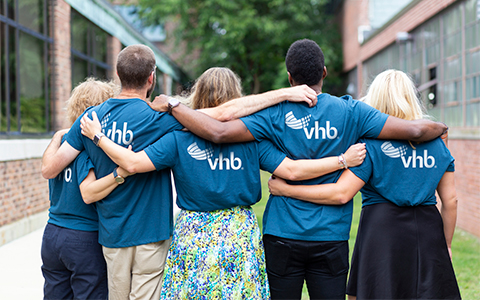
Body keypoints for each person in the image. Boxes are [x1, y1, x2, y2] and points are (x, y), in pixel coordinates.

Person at [147, 39, 449, 299]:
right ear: (325, 73)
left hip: (282, 233)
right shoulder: (352, 112)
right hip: (331, 235)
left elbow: (219, 132)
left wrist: (175, 106)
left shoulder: (273, 114)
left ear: (290, 77)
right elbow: (415, 131)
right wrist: (440, 127)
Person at [40, 44, 319, 300]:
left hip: (124, 233)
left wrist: (69, 137)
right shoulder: (164, 120)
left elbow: (50, 169)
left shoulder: (95, 119)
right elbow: (223, 115)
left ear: (117, 74)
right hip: (177, 232)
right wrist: (284, 94)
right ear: (152, 77)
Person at [79, 67, 367, 299]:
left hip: (194, 235)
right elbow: (292, 170)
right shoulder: (252, 140)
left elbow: (133, 163)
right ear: (237, 96)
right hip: (238, 234)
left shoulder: (177, 139)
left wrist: (97, 137)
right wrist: (341, 160)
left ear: (198, 94)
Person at [268, 69, 461, 300]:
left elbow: (341, 193)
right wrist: (446, 244)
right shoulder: (438, 143)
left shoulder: (370, 145)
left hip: (382, 233)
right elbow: (450, 200)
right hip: (429, 232)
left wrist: (286, 190)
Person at [41, 78, 131, 300]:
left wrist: (55, 137)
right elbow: (89, 191)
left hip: (52, 234)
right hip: (83, 237)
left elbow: (46, 168)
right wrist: (120, 174)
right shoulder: (89, 150)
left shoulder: (60, 147)